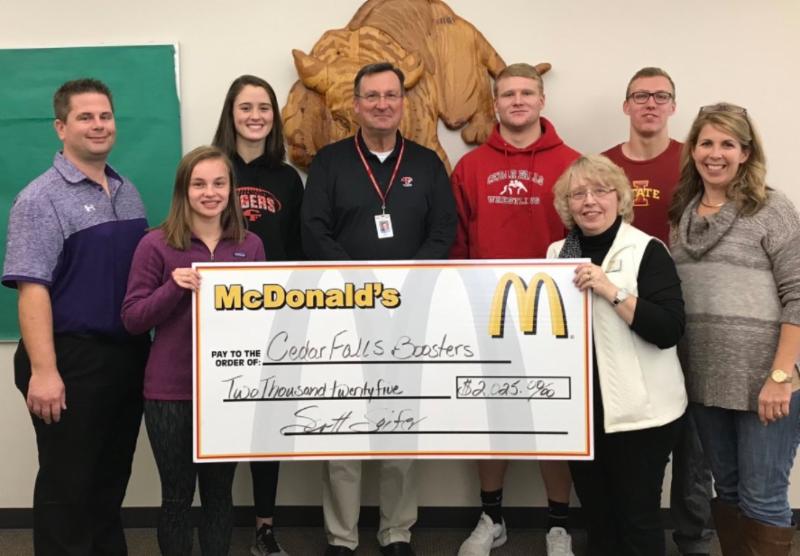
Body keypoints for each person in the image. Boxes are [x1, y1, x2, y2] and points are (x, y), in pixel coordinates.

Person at [301, 61, 457, 556]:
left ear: (403, 104)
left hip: (410, 314)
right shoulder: (329, 162)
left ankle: (397, 531)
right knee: (343, 423)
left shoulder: (427, 163)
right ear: (356, 105)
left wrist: (406, 283)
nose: (382, 104)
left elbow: (444, 231)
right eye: (372, 96)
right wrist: (361, 282)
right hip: (344, 314)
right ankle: (341, 536)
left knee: (400, 423)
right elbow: (313, 230)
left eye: (391, 95)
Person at [2, 78, 150, 555]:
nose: (98, 125)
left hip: (125, 357)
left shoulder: (127, 190)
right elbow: (32, 290)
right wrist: (44, 371)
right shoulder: (39, 199)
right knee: (68, 489)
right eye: (85, 117)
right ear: (61, 127)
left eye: (105, 116)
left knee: (109, 480)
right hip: (69, 359)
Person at [449, 62, 579, 556]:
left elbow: (586, 236)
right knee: (492, 420)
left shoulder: (573, 163)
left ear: (542, 100)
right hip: (488, 314)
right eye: (508, 94)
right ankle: (492, 518)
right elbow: (457, 244)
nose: (518, 101)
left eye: (527, 93)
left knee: (554, 421)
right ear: (495, 104)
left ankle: (558, 525)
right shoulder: (470, 167)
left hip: (555, 316)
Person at [669, 103, 800, 555]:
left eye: (728, 144)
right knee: (726, 492)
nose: (715, 153)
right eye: (706, 142)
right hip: (705, 381)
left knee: (762, 496)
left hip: (765, 381)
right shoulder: (682, 214)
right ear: (693, 150)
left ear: (745, 152)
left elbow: (798, 294)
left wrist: (780, 376)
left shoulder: (771, 208)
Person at [121, 146, 264, 555]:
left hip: (227, 392)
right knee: (176, 497)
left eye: (219, 183)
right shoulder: (155, 244)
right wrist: (173, 287)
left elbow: (262, 319)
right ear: (183, 190)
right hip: (170, 392)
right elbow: (132, 318)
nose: (210, 192)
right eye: (199, 184)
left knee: (219, 495)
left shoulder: (251, 245)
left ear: (231, 189)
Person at [548, 154, 688, 555]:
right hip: (584, 415)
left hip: (641, 415)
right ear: (567, 204)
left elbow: (668, 330)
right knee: (598, 518)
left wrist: (610, 290)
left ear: (620, 197)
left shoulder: (647, 249)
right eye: (578, 194)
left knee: (638, 520)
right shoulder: (557, 253)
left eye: (600, 191)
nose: (589, 201)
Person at [603, 67, 713, 556]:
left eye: (661, 96)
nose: (651, 104)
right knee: (627, 429)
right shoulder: (603, 165)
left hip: (683, 310)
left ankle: (693, 536)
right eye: (641, 95)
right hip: (616, 313)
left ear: (673, 106)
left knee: (690, 431)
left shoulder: (696, 162)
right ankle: (619, 530)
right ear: (626, 105)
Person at [213, 73, 302, 556]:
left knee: (267, 429)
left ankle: (265, 528)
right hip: (219, 321)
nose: (255, 116)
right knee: (223, 425)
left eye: (264, 107)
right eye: (245, 107)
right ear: (231, 114)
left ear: (274, 116)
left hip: (275, 320)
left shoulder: (287, 178)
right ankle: (217, 526)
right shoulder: (210, 168)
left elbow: (300, 252)